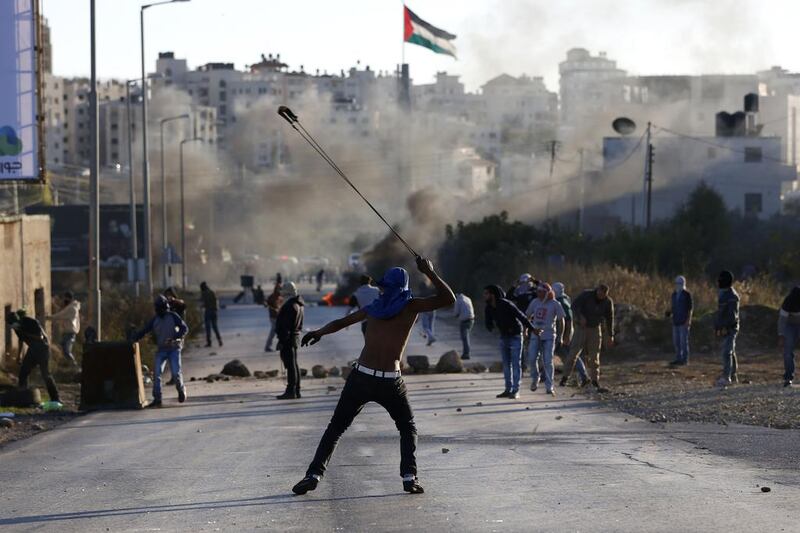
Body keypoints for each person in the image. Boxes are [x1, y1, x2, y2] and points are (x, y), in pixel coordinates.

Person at [291, 257, 454, 496]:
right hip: (391, 380)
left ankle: (313, 475)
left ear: (386, 287)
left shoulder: (374, 308)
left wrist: (318, 332)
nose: (380, 289)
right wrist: (429, 272)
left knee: (335, 428)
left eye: (383, 286)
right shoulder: (411, 307)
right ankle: (409, 478)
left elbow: (341, 322)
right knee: (407, 428)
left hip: (362, 377)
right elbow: (448, 298)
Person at [131, 296, 189, 407]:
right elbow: (145, 330)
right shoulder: (155, 319)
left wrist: (175, 337)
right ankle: (157, 398)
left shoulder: (173, 316)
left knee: (176, 373)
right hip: (161, 350)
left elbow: (184, 328)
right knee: (157, 373)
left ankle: (181, 390)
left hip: (173, 349)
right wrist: (135, 337)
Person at [484, 285, 535, 399]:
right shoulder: (488, 307)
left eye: (486, 293)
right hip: (504, 337)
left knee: (516, 363)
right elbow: (488, 321)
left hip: (516, 336)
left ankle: (516, 390)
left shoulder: (506, 304)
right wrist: (490, 326)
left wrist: (532, 329)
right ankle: (508, 389)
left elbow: (521, 316)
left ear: (492, 294)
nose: (485, 296)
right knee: (506, 365)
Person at [561, 284, 615, 393]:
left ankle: (595, 380)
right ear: (597, 291)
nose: (600, 296)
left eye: (603, 295)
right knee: (573, 353)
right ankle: (565, 378)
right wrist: (580, 316)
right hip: (581, 328)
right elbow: (574, 306)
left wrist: (610, 335)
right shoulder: (586, 295)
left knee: (594, 356)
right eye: (599, 293)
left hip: (595, 329)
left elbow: (610, 318)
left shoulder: (608, 302)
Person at [7, 310, 60, 403]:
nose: (13, 326)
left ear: (18, 320)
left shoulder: (31, 322)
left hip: (42, 348)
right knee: (23, 371)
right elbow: (21, 340)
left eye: (13, 323)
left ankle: (55, 398)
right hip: (32, 349)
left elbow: (40, 337)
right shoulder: (16, 328)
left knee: (45, 374)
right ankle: (23, 397)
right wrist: (19, 355)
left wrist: (24, 331)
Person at [525, 283, 565, 395]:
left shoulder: (555, 304)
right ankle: (535, 378)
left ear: (547, 292)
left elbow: (561, 320)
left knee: (547, 361)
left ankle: (549, 386)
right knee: (532, 358)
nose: (538, 293)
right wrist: (526, 330)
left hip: (549, 336)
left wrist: (561, 336)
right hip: (535, 335)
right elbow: (527, 315)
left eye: (541, 291)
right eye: (537, 291)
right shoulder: (534, 302)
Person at [554, 282, 589, 388]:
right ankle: (578, 376)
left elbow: (568, 320)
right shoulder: (562, 300)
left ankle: (584, 376)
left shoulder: (562, 302)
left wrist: (566, 336)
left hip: (565, 334)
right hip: (561, 333)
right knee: (567, 356)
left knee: (572, 355)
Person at [275, 282, 304, 399]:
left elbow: (285, 326)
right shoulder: (299, 304)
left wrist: (281, 341)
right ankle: (296, 390)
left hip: (288, 339)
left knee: (291, 366)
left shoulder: (289, 306)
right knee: (294, 365)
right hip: (294, 338)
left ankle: (291, 391)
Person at [714, 270, 740, 388]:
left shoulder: (732, 296)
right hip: (725, 327)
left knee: (727, 352)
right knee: (731, 351)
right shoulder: (723, 294)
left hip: (731, 328)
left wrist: (725, 327)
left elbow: (732, 315)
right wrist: (717, 327)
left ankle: (726, 377)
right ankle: (733, 375)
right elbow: (720, 313)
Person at [45, 291, 81, 366]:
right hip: (67, 333)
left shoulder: (71, 308)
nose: (64, 300)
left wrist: (49, 318)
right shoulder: (70, 307)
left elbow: (60, 315)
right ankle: (70, 366)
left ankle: (74, 366)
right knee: (63, 350)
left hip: (70, 333)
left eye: (65, 298)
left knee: (67, 351)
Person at [667, 276, 693, 367]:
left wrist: (688, 320)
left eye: (679, 283)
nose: (678, 285)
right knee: (676, 342)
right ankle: (678, 358)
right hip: (676, 321)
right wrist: (669, 313)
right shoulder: (674, 294)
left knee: (683, 342)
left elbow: (690, 309)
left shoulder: (687, 294)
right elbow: (673, 307)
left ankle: (684, 359)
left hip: (683, 321)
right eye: (676, 283)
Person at [778, 286, 800, 387]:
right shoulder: (788, 301)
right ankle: (788, 376)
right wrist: (781, 335)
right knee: (787, 351)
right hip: (789, 325)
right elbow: (782, 321)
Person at [200, 281, 223, 347]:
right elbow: (216, 301)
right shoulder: (212, 292)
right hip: (214, 311)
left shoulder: (204, 293)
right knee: (215, 327)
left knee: (208, 327)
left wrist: (202, 306)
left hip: (208, 311)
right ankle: (219, 340)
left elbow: (204, 302)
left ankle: (209, 342)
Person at [453, 292, 475, 360]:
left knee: (464, 338)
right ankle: (466, 352)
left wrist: (455, 316)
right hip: (471, 319)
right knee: (466, 336)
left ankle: (466, 354)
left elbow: (456, 313)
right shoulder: (467, 298)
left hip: (464, 321)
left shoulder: (458, 301)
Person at [264, 282, 283, 352]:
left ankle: (281, 345)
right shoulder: (272, 297)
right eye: (279, 289)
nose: (280, 290)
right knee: (273, 331)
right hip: (273, 317)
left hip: (279, 317)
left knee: (281, 331)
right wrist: (273, 309)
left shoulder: (280, 297)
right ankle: (267, 347)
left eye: (280, 289)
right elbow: (266, 304)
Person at [418, 282, 437, 346]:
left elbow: (420, 305)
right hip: (433, 310)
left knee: (425, 327)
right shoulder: (430, 291)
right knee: (431, 326)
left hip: (426, 311)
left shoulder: (421, 294)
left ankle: (432, 337)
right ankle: (430, 341)